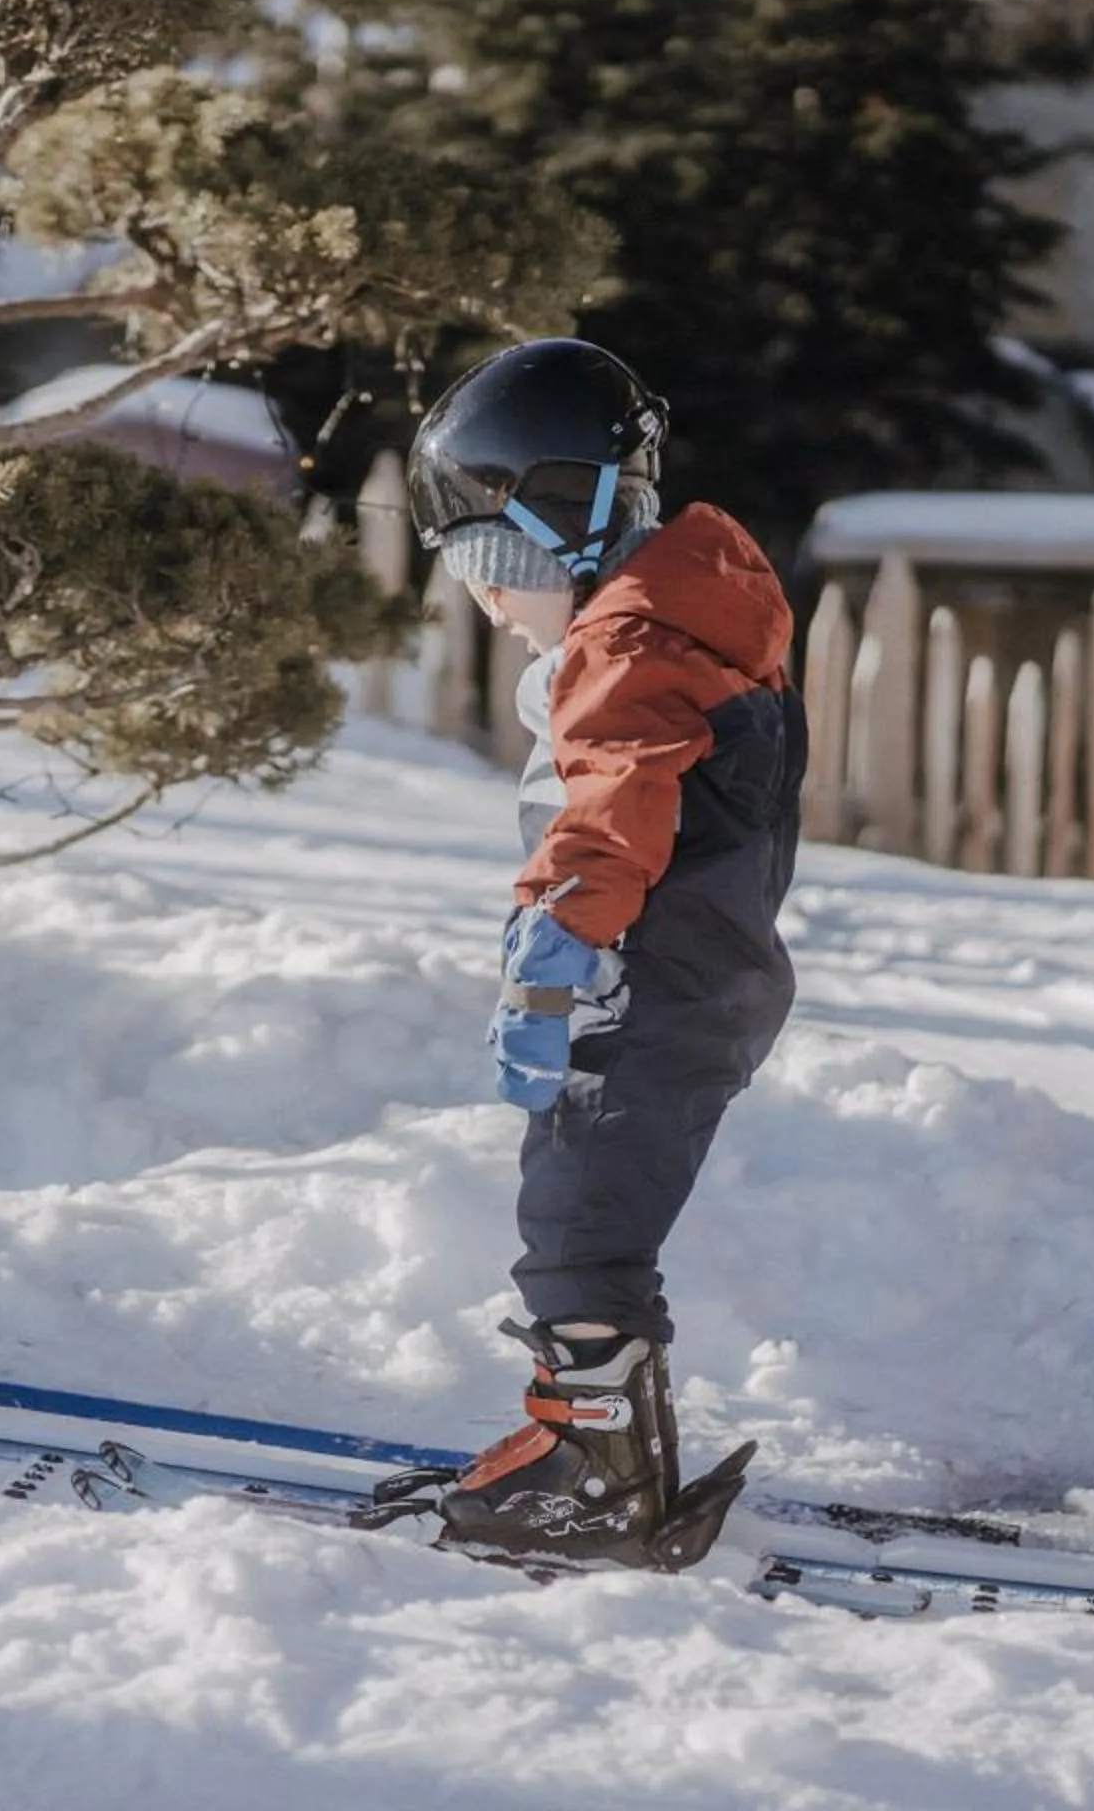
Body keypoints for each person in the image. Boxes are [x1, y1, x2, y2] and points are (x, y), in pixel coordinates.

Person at [385, 336, 804, 1570]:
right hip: (698, 984)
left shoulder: (628, 654)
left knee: (573, 1232)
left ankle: (597, 1478)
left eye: (493, 569)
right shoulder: (683, 620)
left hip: (647, 990)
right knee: (597, 1228)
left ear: (555, 536)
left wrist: (553, 944)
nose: (487, 605)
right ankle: (614, 1443)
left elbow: (613, 812)